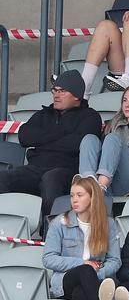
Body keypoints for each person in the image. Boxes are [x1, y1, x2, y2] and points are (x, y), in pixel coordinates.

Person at [0, 70, 102, 219]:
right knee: (3, 178)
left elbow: (75, 144)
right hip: (34, 169)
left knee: (51, 179)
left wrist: (41, 140)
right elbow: (24, 137)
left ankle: (50, 232)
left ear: (76, 96)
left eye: (62, 91)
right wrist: (62, 134)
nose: (56, 95)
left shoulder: (90, 117)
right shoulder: (44, 114)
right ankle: (5, 229)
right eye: (54, 90)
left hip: (67, 171)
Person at [42, 175, 121, 300]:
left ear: (93, 198)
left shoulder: (108, 224)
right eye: (72, 196)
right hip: (64, 281)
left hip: (95, 281)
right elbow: (48, 258)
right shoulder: (60, 223)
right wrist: (82, 263)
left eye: (79, 195)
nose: (74, 200)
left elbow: (115, 260)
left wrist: (97, 272)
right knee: (85, 270)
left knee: (81, 293)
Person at [79, 85, 129, 196]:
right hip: (111, 178)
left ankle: (99, 189)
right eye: (124, 100)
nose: (127, 104)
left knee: (113, 138)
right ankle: (87, 185)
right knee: (89, 139)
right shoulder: (112, 124)